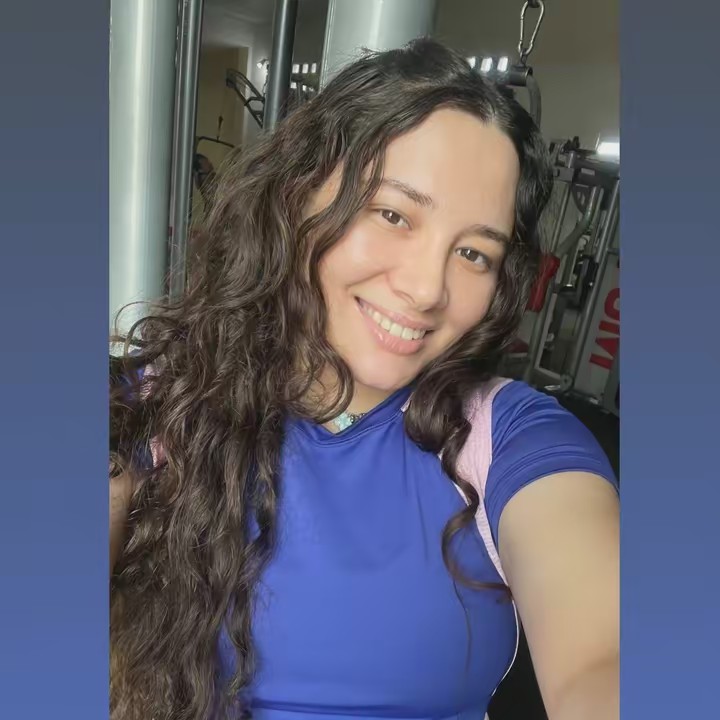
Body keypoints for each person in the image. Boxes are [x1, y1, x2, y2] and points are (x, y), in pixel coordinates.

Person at [110, 38, 619, 720]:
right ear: (298, 196)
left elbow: (604, 657)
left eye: (473, 253)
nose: (426, 289)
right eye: (393, 215)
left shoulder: (509, 439)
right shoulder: (158, 405)